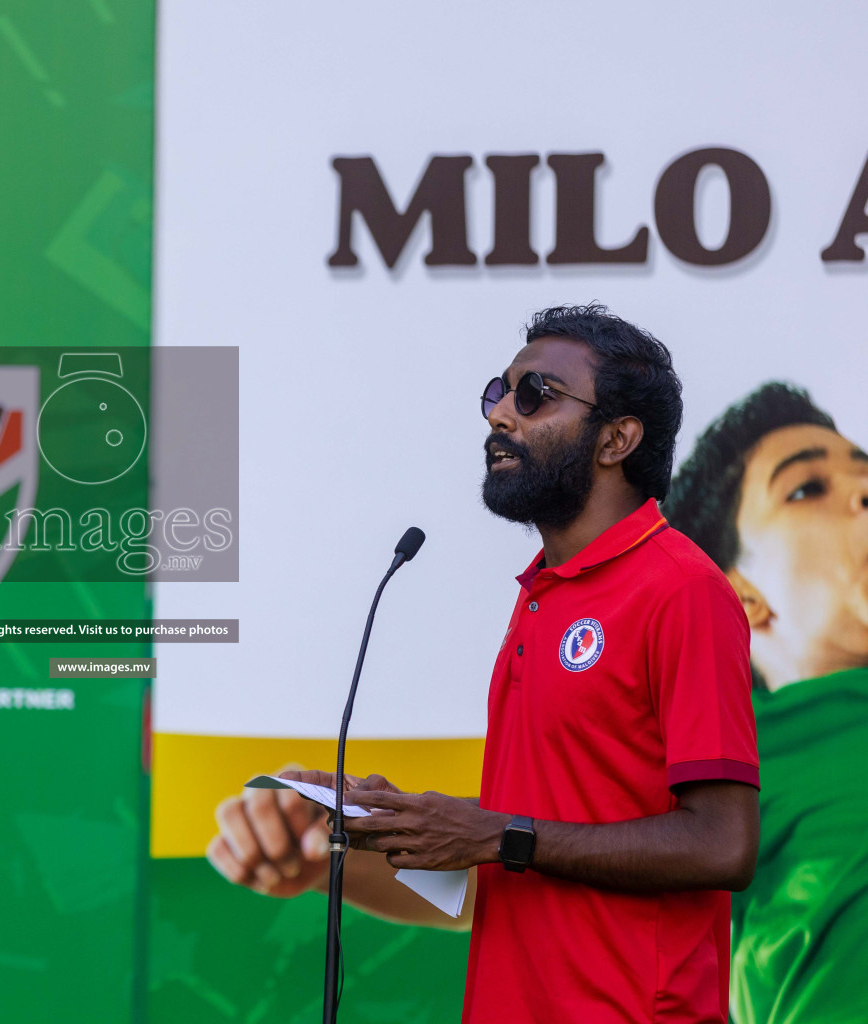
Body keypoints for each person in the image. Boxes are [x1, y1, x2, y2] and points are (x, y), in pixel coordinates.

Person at [209, 305, 760, 1023]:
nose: (500, 415)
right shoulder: (542, 595)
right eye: (497, 394)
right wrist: (391, 822)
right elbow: (534, 850)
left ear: (617, 438)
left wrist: (497, 835)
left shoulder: (681, 588)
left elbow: (723, 845)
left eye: (534, 395)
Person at [663, 382, 868, 1024]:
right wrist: (349, 849)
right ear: (741, 595)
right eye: (807, 488)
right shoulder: (714, 772)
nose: (863, 493)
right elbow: (514, 868)